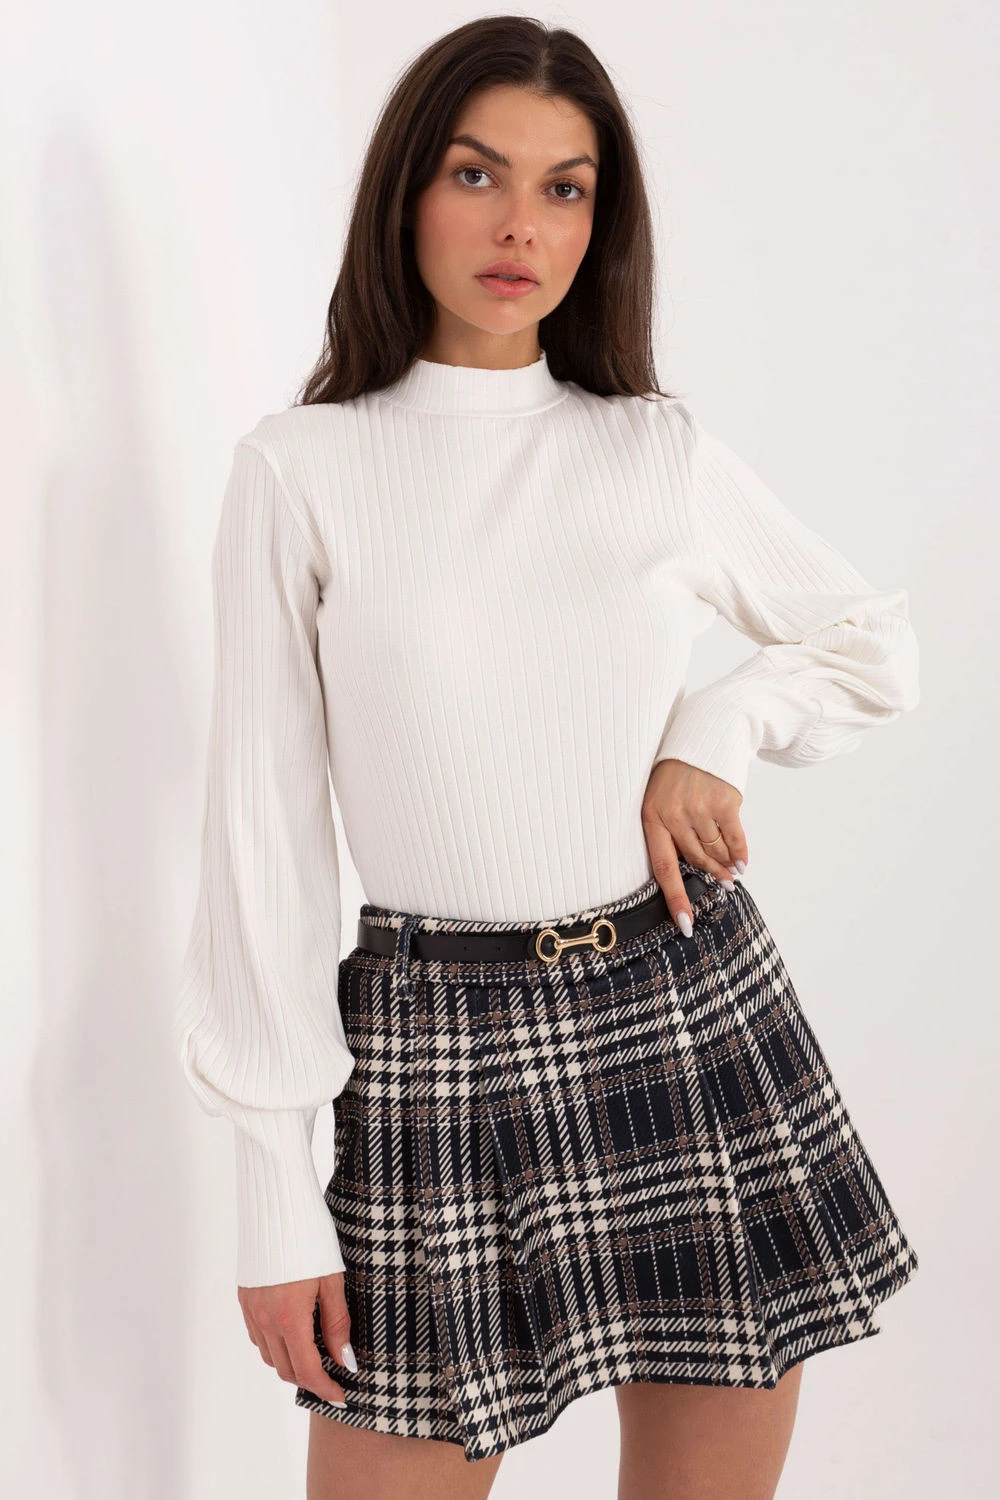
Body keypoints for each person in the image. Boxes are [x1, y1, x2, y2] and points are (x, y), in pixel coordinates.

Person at [174, 17, 921, 1500]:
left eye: (565, 188)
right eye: (478, 174)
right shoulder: (302, 469)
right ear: (405, 194)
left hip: (679, 1004)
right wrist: (273, 1198)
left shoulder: (652, 450)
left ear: (600, 221)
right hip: (431, 1045)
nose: (521, 225)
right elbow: (261, 834)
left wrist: (714, 733)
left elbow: (870, 644)